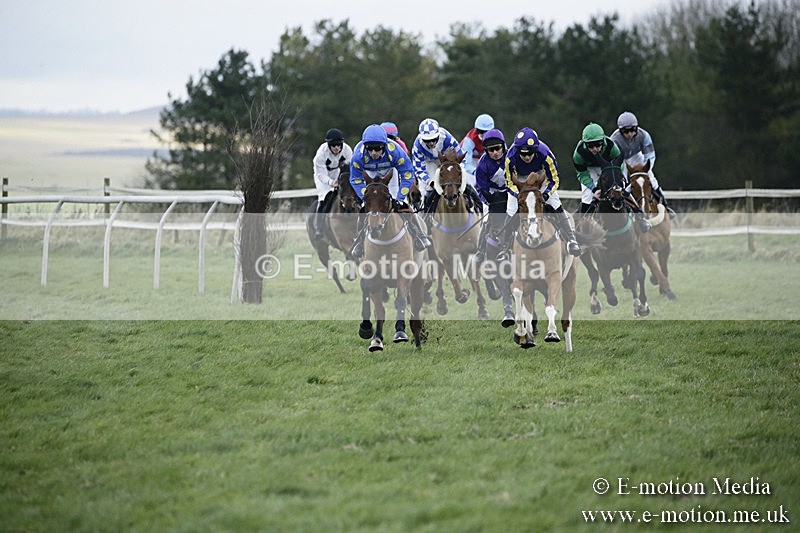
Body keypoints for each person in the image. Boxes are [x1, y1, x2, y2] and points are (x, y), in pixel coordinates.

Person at [349, 124, 431, 259]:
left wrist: (399, 197)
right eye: (370, 149)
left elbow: (407, 174)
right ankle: (359, 240)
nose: (374, 152)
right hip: (369, 175)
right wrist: (366, 196)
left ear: (384, 146)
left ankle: (419, 234)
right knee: (365, 208)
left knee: (404, 205)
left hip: (390, 175)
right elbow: (355, 178)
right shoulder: (358, 155)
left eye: (377, 149)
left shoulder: (395, 151)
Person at [504, 127, 581, 256]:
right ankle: (504, 248)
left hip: (541, 179)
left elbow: (554, 179)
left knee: (556, 204)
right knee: (511, 210)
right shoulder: (510, 158)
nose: (527, 157)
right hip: (520, 182)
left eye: (530, 153)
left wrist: (546, 194)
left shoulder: (546, 154)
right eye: (523, 154)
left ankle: (571, 240)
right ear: (518, 151)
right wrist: (519, 195)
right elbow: (509, 182)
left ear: (535, 150)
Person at [572, 122, 650, 232]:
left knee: (621, 190)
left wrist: (617, 178)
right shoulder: (578, 154)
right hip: (590, 170)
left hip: (609, 167)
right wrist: (594, 189)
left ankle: (639, 217)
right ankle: (581, 225)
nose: (595, 149)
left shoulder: (611, 146)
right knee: (587, 196)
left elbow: (620, 164)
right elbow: (582, 174)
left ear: (603, 141)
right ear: (585, 144)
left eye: (598, 144)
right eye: (590, 146)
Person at [610, 111, 676, 218]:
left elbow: (650, 156)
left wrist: (645, 169)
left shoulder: (644, 135)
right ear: (621, 131)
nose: (630, 134)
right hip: (620, 160)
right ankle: (624, 207)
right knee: (623, 183)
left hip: (637, 156)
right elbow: (613, 160)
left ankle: (665, 205)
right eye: (626, 132)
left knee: (651, 178)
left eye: (632, 131)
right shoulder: (614, 139)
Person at [412, 117, 483, 215]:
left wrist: (458, 171)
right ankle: (426, 215)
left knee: (463, 182)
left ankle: (478, 206)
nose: (431, 143)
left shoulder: (446, 137)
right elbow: (418, 169)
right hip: (429, 162)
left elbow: (461, 155)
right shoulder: (417, 146)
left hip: (446, 161)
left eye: (434, 139)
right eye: (427, 141)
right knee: (428, 190)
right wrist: (429, 181)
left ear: (438, 135)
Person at [312, 128, 353, 239]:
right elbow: (321, 174)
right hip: (323, 176)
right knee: (326, 196)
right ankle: (319, 228)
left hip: (339, 173)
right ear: (329, 145)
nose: (337, 148)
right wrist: (331, 182)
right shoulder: (321, 154)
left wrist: (343, 180)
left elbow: (350, 168)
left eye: (339, 145)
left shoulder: (347, 150)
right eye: (334, 145)